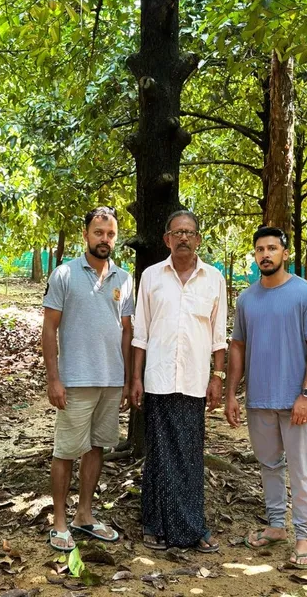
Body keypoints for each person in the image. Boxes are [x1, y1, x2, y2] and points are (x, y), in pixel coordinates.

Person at [224, 225, 307, 570]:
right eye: (260, 249)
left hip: (298, 401)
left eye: (272, 248)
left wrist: (305, 393)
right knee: (269, 466)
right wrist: (232, 394)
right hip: (259, 400)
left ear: (285, 253)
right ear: (254, 256)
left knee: (301, 470)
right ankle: (275, 526)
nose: (265, 254)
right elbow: (237, 346)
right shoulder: (247, 298)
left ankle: (304, 536)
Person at [130, 209, 227, 553]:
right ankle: (154, 525)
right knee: (158, 454)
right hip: (156, 379)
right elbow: (140, 333)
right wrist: (135, 378)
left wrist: (218, 377)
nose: (183, 237)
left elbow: (218, 336)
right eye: (177, 232)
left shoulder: (214, 278)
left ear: (198, 239)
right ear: (167, 239)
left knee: (189, 455)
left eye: (190, 232)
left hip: (194, 382)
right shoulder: (151, 277)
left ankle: (191, 527)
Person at [43, 206, 134, 552]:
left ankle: (84, 515)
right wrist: (54, 379)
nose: (105, 240)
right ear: (86, 235)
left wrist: (126, 379)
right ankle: (60, 521)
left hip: (110, 380)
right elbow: (49, 329)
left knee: (97, 446)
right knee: (66, 450)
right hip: (76, 379)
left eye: (110, 234)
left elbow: (127, 332)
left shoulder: (124, 280)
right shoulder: (64, 275)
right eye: (98, 233)